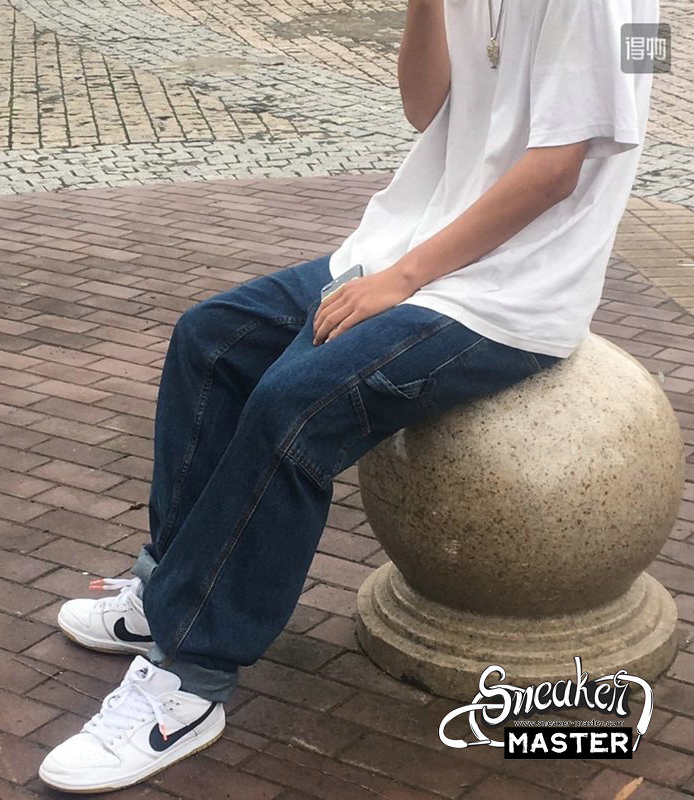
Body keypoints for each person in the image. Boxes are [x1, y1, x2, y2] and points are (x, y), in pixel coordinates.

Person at [38, 0, 658, 791]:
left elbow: (556, 171)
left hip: (511, 293)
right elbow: (424, 107)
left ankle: (191, 675)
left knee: (294, 406)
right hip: (403, 247)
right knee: (210, 340)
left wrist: (403, 279)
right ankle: (166, 588)